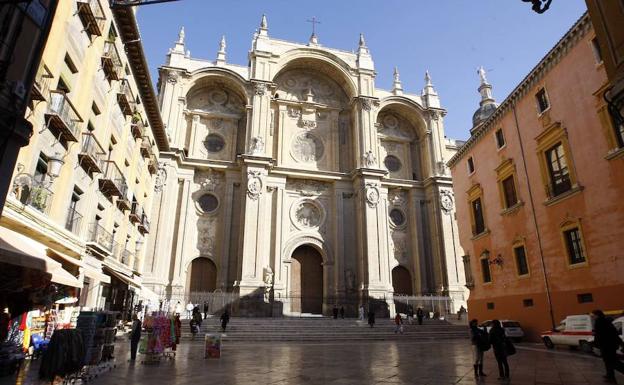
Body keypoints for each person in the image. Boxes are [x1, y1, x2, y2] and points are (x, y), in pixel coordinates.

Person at [592, 310, 624, 383]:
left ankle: (611, 377)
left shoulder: (599, 322)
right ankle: (610, 376)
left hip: (606, 345)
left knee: (612, 361)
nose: (593, 317)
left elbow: (599, 335)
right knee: (608, 361)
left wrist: (596, 344)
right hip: (610, 345)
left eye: (593, 315)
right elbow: (614, 332)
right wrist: (620, 342)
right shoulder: (606, 321)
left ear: (597, 315)